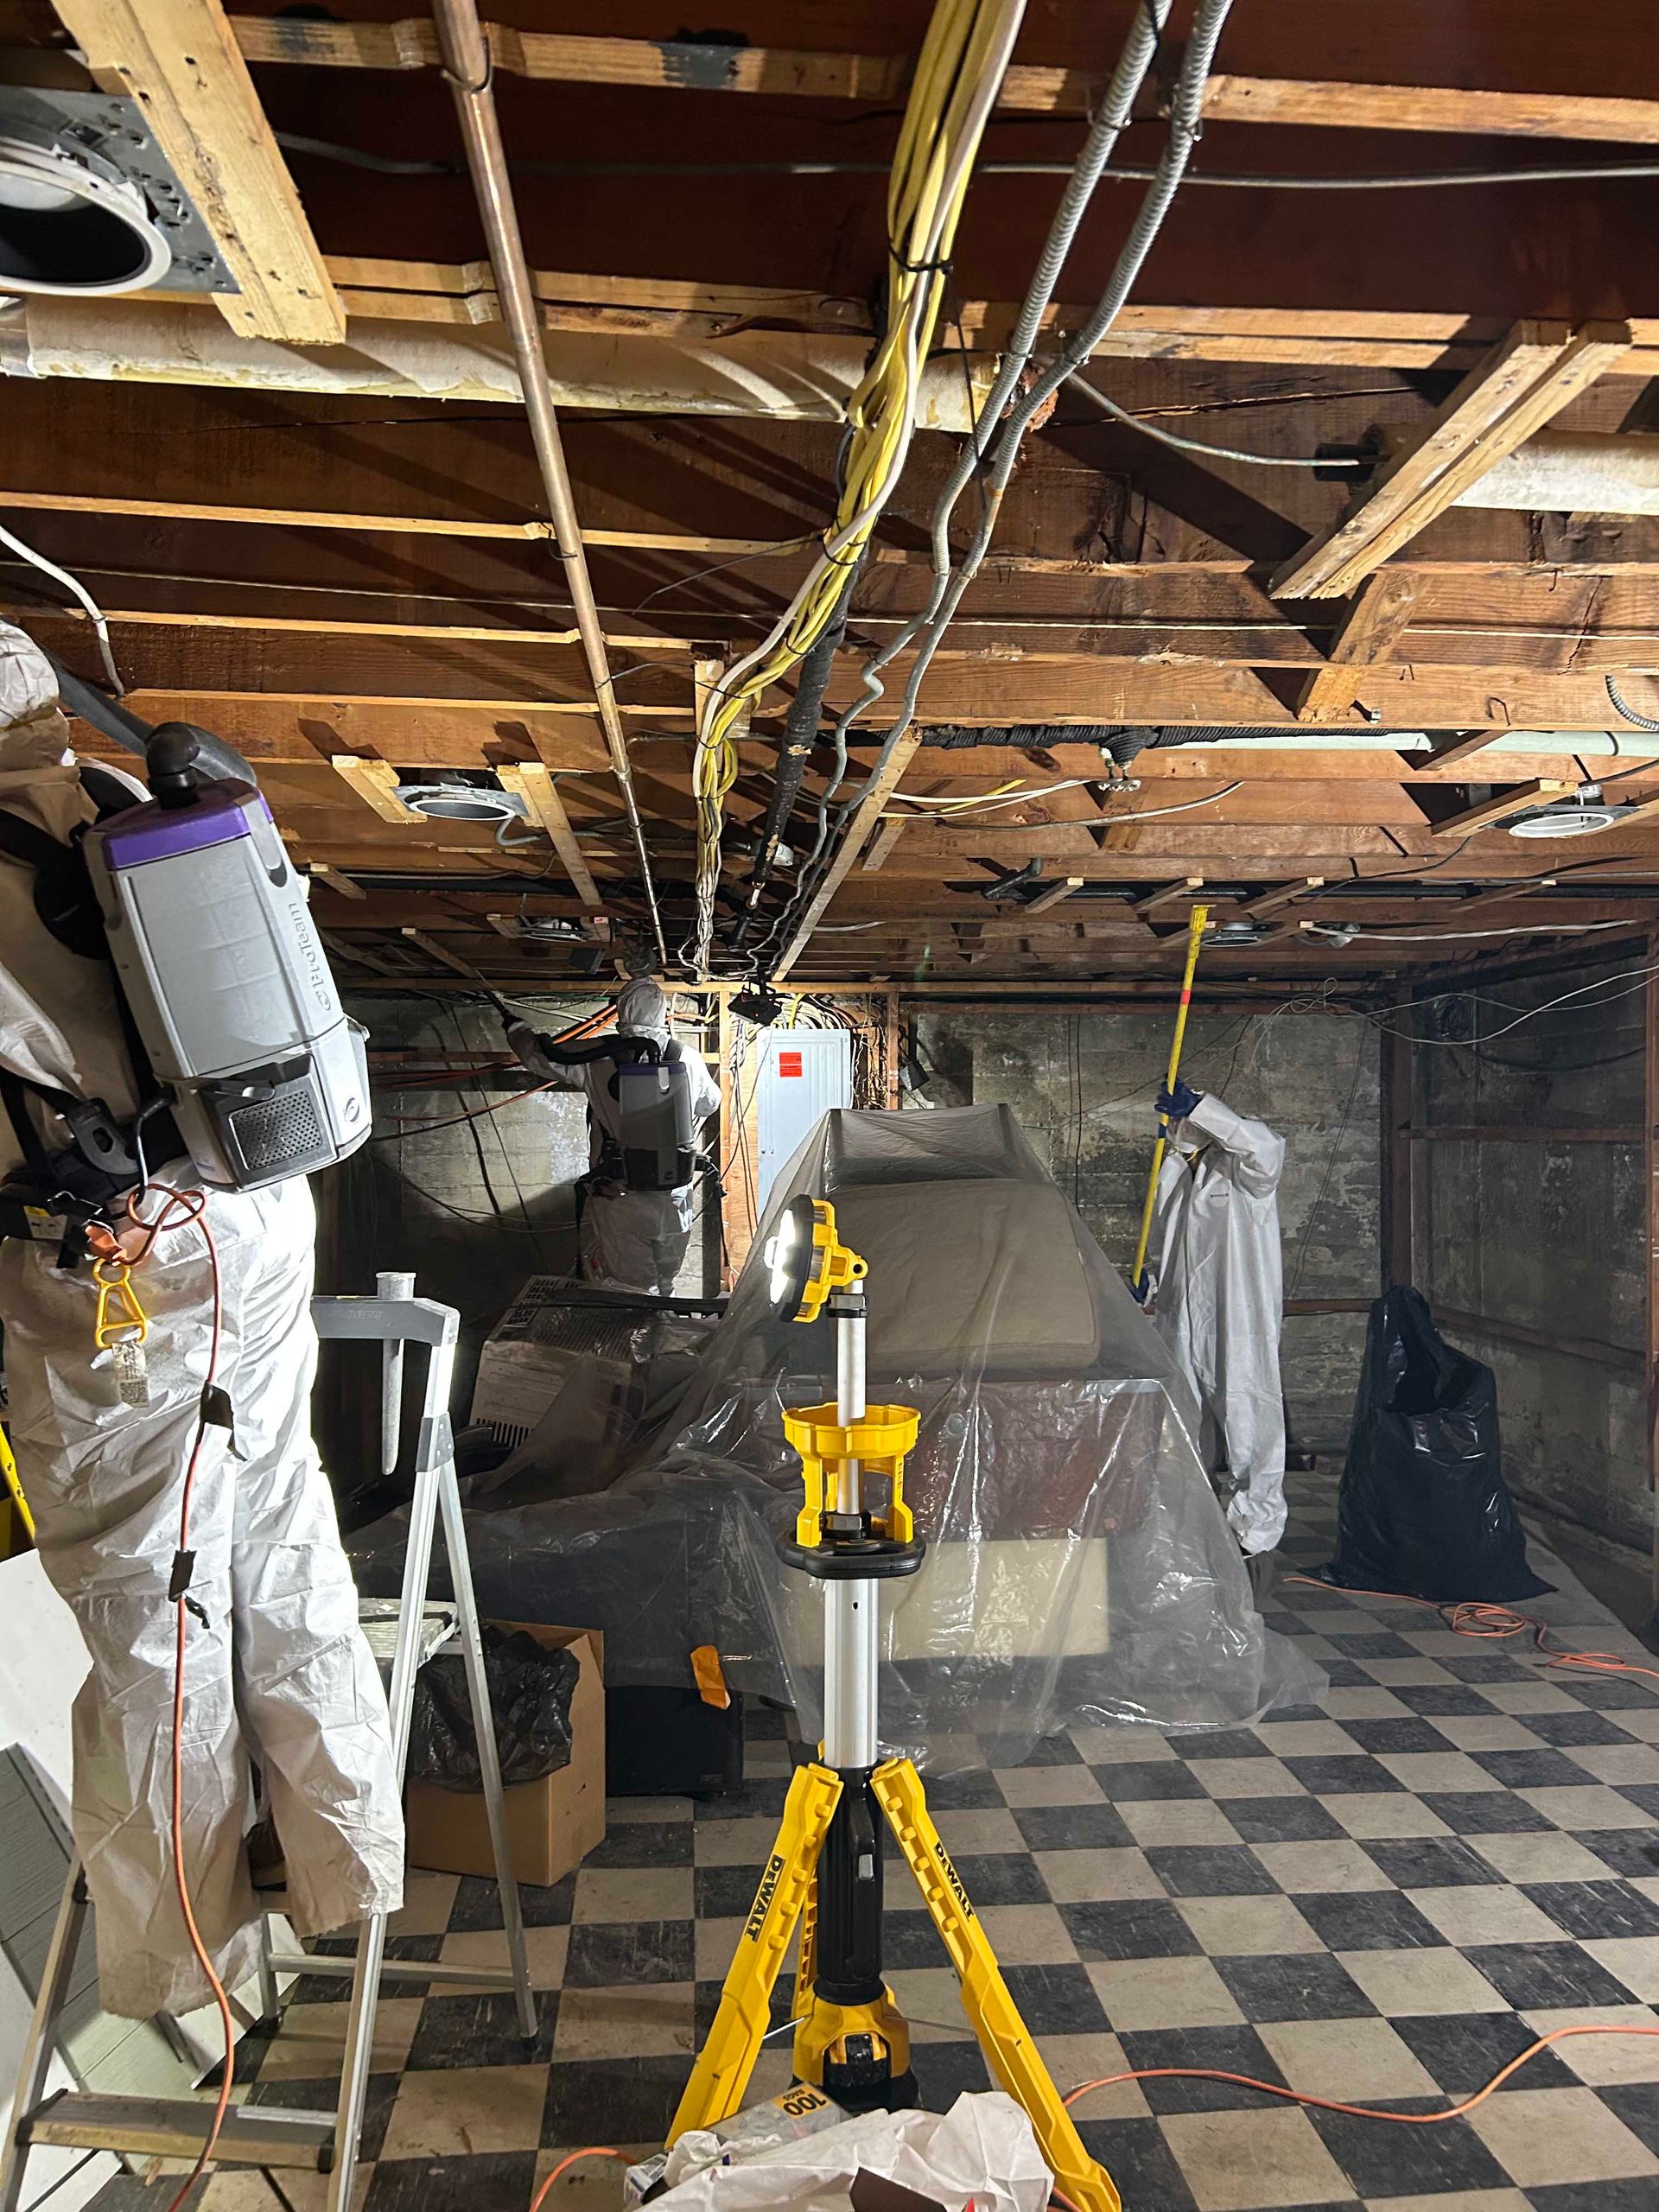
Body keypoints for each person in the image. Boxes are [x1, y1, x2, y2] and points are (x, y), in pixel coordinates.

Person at [0, 625, 404, 2018]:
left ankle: (193, 1967)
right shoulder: (129, 813)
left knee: (146, 1608)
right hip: (254, 1213)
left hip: (116, 1277)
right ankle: (349, 1861)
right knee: (277, 1522)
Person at [1137, 1077, 1288, 1555]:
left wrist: (1205, 1107)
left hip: (1237, 1317)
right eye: (1177, 1118)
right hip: (1181, 1318)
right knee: (1181, 1421)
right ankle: (1189, 1523)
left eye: (1185, 1118)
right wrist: (1149, 1284)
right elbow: (1169, 1250)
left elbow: (1263, 1147)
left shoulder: (1244, 1173)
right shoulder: (1177, 1179)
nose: (1179, 1126)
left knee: (1249, 1415)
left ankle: (1256, 1532)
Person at [508, 977, 720, 1295]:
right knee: (665, 1280)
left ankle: (637, 1341)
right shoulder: (686, 1057)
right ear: (662, 1014)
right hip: (674, 1194)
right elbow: (710, 1103)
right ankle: (664, 1336)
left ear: (621, 1011)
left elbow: (538, 1056)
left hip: (621, 1196)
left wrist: (516, 1028)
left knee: (630, 1287)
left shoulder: (596, 1055)